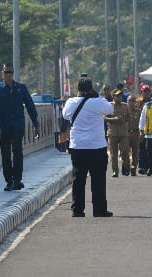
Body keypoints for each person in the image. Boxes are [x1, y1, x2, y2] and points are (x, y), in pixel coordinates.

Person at [62, 75, 114, 217]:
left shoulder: (71, 102)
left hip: (78, 146)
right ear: (91, 88)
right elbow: (110, 109)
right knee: (98, 179)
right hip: (97, 146)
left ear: (78, 89)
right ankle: (99, 210)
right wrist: (97, 96)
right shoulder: (98, 101)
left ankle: (77, 210)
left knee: (78, 179)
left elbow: (65, 115)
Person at [0, 63, 40, 191]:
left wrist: (36, 125)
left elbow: (30, 107)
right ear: (2, 73)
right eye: (6, 72)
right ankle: (9, 181)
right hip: (3, 127)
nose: (8, 75)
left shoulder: (21, 88)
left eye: (11, 72)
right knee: (5, 154)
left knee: (17, 152)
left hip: (17, 126)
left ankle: (17, 180)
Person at [104, 89, 131, 177]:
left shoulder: (125, 106)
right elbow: (104, 117)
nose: (119, 97)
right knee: (113, 154)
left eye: (120, 96)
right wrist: (114, 119)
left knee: (125, 152)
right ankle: (115, 171)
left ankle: (125, 167)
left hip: (123, 133)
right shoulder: (109, 106)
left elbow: (129, 118)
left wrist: (124, 120)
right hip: (113, 133)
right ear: (113, 96)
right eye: (117, 96)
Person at [136, 84, 152, 175]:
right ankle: (142, 167)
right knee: (141, 148)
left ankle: (149, 166)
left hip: (150, 129)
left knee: (149, 149)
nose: (146, 93)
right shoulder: (138, 103)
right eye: (144, 91)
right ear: (141, 92)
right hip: (141, 129)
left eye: (148, 91)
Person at [126, 94, 141, 176]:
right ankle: (127, 167)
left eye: (133, 101)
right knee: (125, 152)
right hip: (126, 133)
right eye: (130, 101)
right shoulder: (124, 111)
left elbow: (141, 123)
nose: (131, 103)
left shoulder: (138, 111)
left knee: (135, 153)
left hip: (135, 133)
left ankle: (133, 169)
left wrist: (141, 133)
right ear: (127, 102)